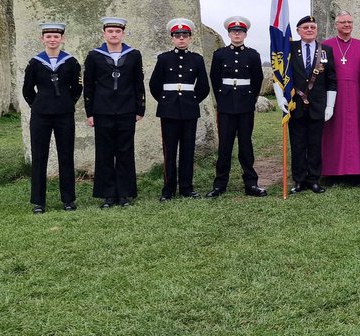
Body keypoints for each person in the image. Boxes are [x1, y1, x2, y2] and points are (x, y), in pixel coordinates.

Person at [84, 17, 145, 208]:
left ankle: (125, 193)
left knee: (125, 151)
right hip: (102, 111)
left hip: (127, 110)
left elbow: (138, 84)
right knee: (104, 153)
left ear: (123, 34)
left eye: (118, 31)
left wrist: (139, 108)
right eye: (110, 31)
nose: (114, 34)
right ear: (104, 34)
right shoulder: (94, 56)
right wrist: (90, 112)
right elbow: (88, 86)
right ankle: (108, 194)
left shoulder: (134, 54)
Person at [22, 22, 82, 214]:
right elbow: (27, 90)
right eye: (48, 36)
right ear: (42, 39)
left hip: (64, 114)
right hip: (41, 115)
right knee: (39, 157)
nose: (52, 40)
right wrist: (39, 104)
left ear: (62, 39)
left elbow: (77, 88)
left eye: (56, 36)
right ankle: (39, 202)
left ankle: (68, 199)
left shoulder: (71, 62)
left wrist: (65, 102)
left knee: (66, 156)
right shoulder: (35, 63)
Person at [148, 18, 210, 201]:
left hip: (189, 110)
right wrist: (165, 101)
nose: (181, 39)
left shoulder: (197, 59)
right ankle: (168, 190)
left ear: (190, 38)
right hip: (168, 110)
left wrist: (192, 101)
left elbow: (204, 87)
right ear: (172, 38)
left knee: (188, 149)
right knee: (169, 151)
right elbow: (154, 85)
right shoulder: (164, 58)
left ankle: (186, 188)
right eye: (177, 36)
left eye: (185, 35)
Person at [207, 16, 267, 197]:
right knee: (224, 146)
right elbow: (215, 78)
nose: (237, 34)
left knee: (246, 145)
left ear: (245, 34)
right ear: (229, 34)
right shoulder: (220, 54)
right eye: (234, 31)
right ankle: (219, 185)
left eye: (240, 31)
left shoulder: (253, 55)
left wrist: (251, 99)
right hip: (226, 105)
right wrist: (222, 99)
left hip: (245, 105)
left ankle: (251, 184)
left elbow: (257, 80)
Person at [278, 16, 337, 194]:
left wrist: (330, 106)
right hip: (295, 106)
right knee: (297, 145)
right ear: (298, 31)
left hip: (318, 106)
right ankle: (299, 180)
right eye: (306, 27)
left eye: (313, 27)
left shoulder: (326, 50)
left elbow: (332, 80)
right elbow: (281, 75)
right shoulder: (289, 48)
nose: (310, 30)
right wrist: (281, 97)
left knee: (314, 145)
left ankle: (314, 180)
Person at [320, 11, 360, 182]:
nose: (347, 25)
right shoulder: (325, 45)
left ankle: (357, 172)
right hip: (333, 95)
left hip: (355, 95)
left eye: (349, 22)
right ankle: (332, 172)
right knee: (333, 132)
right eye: (343, 22)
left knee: (355, 131)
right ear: (336, 25)